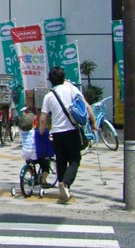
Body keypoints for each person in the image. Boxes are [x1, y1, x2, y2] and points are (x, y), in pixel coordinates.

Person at [40, 66, 97, 204]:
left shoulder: (49, 95)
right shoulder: (71, 89)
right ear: (63, 77)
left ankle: (63, 188)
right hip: (71, 131)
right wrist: (94, 122)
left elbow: (43, 118)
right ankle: (65, 184)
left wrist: (42, 131)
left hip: (56, 134)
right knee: (74, 160)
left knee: (61, 160)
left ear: (50, 81)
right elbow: (86, 106)